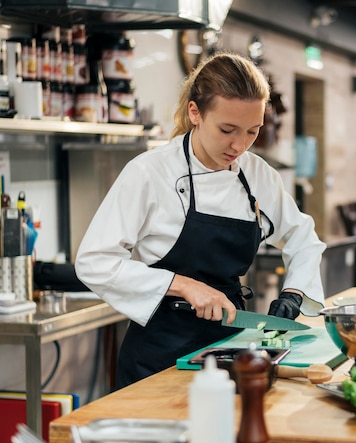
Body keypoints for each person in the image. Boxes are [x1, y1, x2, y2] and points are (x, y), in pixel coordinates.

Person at [75, 52, 326, 389]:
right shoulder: (151, 173)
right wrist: (184, 285)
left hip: (231, 345)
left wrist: (293, 293)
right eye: (227, 130)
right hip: (158, 358)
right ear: (195, 112)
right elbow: (94, 261)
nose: (239, 145)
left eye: (252, 131)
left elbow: (303, 236)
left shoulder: (258, 175)